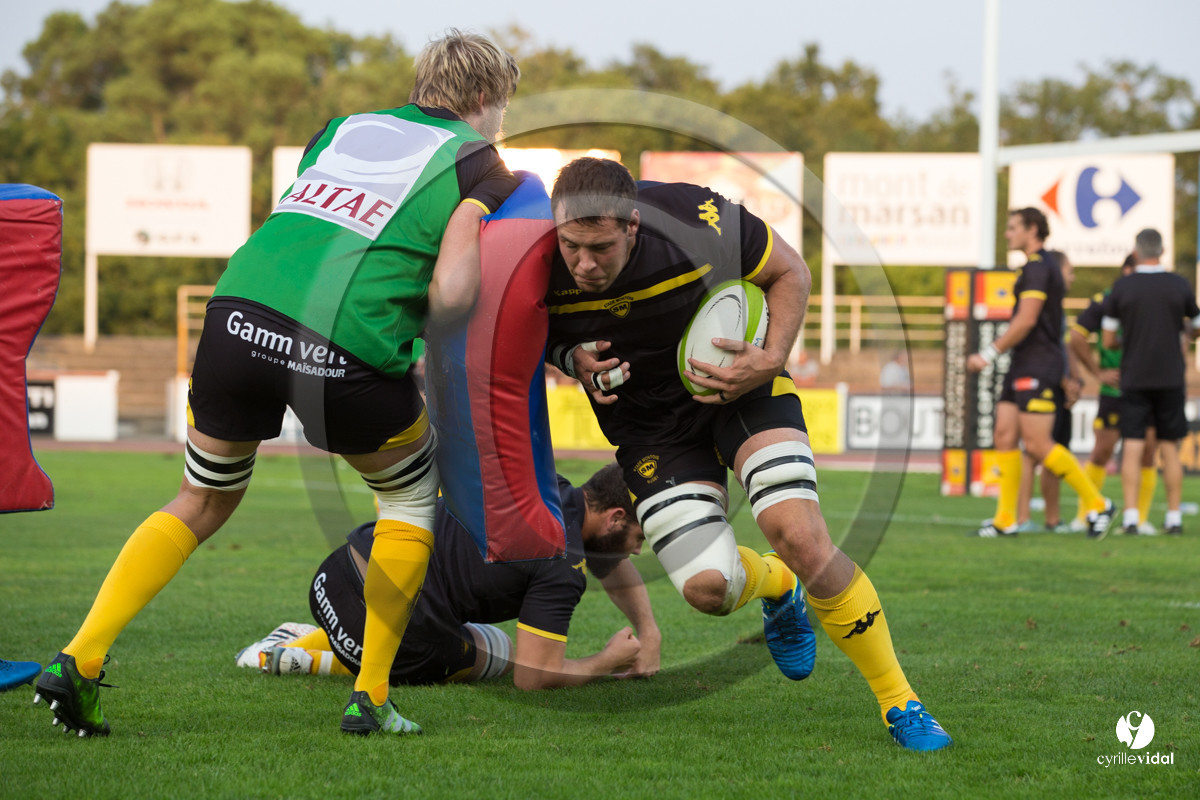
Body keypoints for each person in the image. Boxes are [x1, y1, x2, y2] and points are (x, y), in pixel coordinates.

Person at [33, 30, 522, 738]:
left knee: (201, 496)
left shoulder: (342, 129)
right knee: (410, 497)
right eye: (503, 107)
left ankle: (79, 658)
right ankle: (372, 696)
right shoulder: (483, 164)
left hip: (234, 314)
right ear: (484, 99)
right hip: (341, 341)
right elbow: (449, 291)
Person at [543, 157, 951, 751]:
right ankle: (778, 586)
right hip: (652, 431)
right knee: (709, 590)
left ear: (633, 224)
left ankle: (901, 702)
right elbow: (510, 335)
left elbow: (791, 272)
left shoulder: (696, 218)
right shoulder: (531, 253)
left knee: (800, 533)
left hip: (742, 389)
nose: (582, 263)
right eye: (570, 246)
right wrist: (566, 358)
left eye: (600, 247)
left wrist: (770, 354)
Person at [237, 464, 659, 689]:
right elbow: (534, 678)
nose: (637, 550)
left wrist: (649, 631)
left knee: (432, 604)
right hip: (381, 634)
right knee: (499, 650)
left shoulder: (547, 484)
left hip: (334, 574)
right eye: (638, 537)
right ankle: (302, 659)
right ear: (615, 517)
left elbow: (611, 559)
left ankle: (308, 635)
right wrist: (607, 661)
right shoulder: (562, 565)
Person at [967, 209, 1114, 539]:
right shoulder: (1038, 266)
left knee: (1037, 444)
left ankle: (1098, 503)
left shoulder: (1038, 267)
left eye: (1013, 228)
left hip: (1037, 364)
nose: (1007, 234)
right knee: (1004, 435)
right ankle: (1006, 519)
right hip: (1023, 361)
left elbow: (1027, 320)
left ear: (1032, 230)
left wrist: (988, 353)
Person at [1100, 228, 1200, 536]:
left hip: (1135, 375)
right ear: (1163, 250)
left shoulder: (1123, 288)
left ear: (1136, 250)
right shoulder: (1179, 285)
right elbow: (1196, 327)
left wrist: (1129, 341)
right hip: (1170, 376)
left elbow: (1108, 339)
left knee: (1132, 444)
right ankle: (1173, 518)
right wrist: (1182, 334)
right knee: (1169, 446)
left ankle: (1131, 517)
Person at [1068, 254, 1159, 534]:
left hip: (1149, 387)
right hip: (1115, 389)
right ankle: (1087, 513)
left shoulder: (1157, 298)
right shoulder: (1107, 299)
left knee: (1148, 451)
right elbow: (1076, 336)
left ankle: (1140, 520)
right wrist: (1097, 372)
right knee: (1102, 451)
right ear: (1127, 270)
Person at [1015, 250, 1081, 533]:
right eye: (1069, 270)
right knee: (1033, 452)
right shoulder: (1040, 306)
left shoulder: (1057, 308)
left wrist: (1074, 378)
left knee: (1052, 452)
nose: (1072, 277)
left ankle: (1052, 519)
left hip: (1058, 385)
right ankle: (1021, 517)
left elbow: (1065, 347)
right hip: (1044, 383)